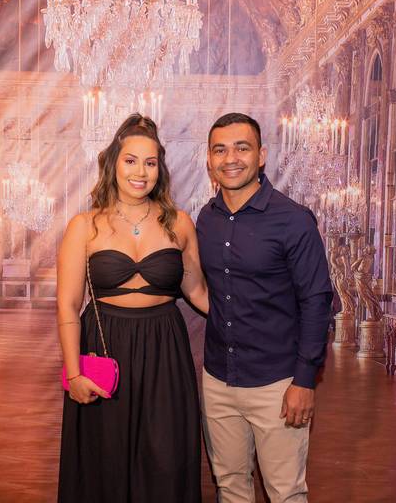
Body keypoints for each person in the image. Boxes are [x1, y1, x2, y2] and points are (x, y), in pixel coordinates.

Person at [56, 114, 207, 502]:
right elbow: (68, 307)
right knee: (104, 461)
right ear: (113, 164)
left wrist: (256, 317)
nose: (141, 172)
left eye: (150, 163)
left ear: (160, 169)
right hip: (105, 345)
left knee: (166, 458)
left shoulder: (180, 224)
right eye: (131, 160)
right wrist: (73, 375)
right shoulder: (84, 225)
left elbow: (198, 292)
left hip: (165, 349)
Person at [197, 113, 333, 503]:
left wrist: (304, 381)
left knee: (285, 493)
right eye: (220, 150)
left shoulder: (293, 220)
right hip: (218, 380)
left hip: (278, 383)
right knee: (229, 487)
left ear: (261, 156)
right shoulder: (206, 220)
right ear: (209, 160)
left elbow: (316, 301)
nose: (230, 158)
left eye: (242, 148)